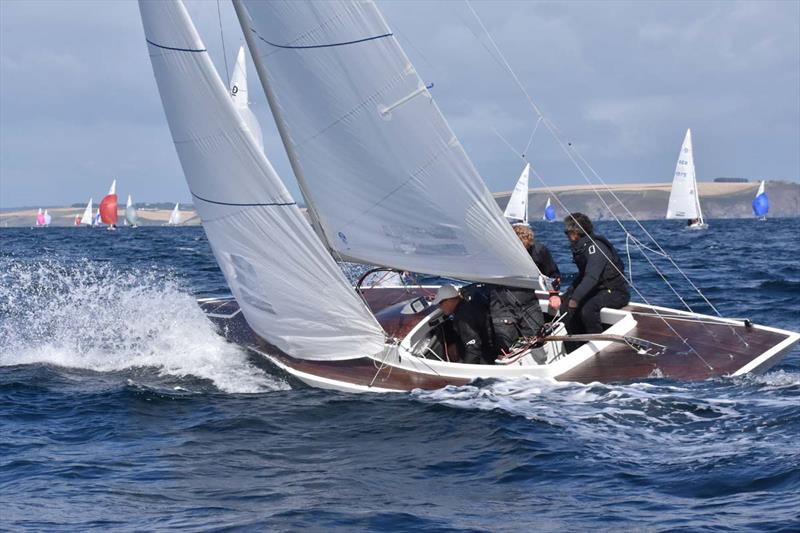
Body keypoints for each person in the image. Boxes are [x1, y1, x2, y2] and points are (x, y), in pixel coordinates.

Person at [561, 213, 630, 337]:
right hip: (597, 290)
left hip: (615, 291)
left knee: (588, 309)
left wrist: (575, 299)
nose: (566, 235)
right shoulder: (582, 247)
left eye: (567, 232)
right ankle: (575, 341)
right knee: (564, 304)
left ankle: (597, 342)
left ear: (575, 233)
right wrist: (570, 294)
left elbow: (591, 277)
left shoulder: (596, 247)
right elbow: (583, 276)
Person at [432, 284, 494, 365]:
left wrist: (466, 369)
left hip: (486, 355)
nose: (440, 307)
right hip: (487, 343)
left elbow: (474, 348)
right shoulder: (466, 305)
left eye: (440, 303)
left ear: (449, 300)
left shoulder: (462, 318)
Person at [513, 224, 561, 310]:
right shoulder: (504, 251)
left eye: (526, 247)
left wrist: (554, 295)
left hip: (531, 291)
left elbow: (552, 274)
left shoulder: (539, 251)